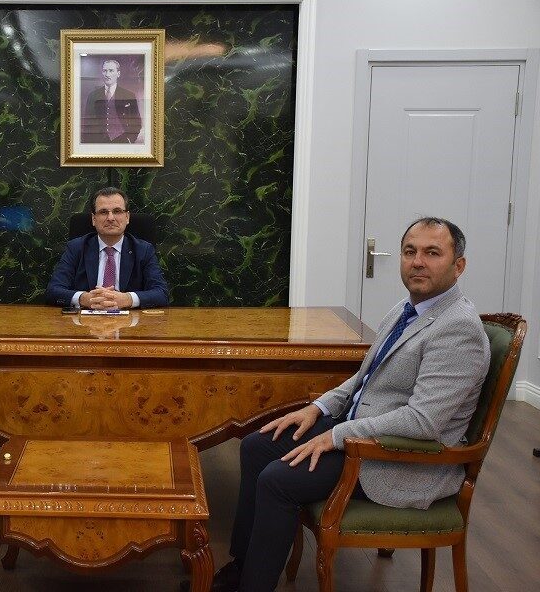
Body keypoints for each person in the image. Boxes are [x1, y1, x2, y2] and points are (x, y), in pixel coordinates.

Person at [204, 217, 491, 592]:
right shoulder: (405, 309)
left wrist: (336, 435)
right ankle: (243, 569)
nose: (418, 262)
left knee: (278, 481)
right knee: (257, 446)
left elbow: (423, 422)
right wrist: (318, 409)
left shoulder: (458, 328)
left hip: (397, 459)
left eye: (432, 253)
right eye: (410, 251)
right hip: (362, 434)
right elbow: (364, 379)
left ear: (459, 265)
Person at [45, 187, 168, 309]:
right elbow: (53, 290)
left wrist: (128, 299)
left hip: (129, 319)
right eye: (103, 212)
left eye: (117, 211)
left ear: (127, 217)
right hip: (85, 319)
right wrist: (84, 299)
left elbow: (161, 293)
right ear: (94, 219)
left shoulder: (143, 250)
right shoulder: (76, 248)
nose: (110, 218)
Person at [81, 59, 142, 144]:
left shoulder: (129, 95)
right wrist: (89, 143)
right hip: (98, 143)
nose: (107, 74)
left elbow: (137, 121)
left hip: (122, 142)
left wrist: (130, 139)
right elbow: (87, 123)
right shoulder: (93, 95)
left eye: (111, 71)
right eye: (104, 71)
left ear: (118, 74)